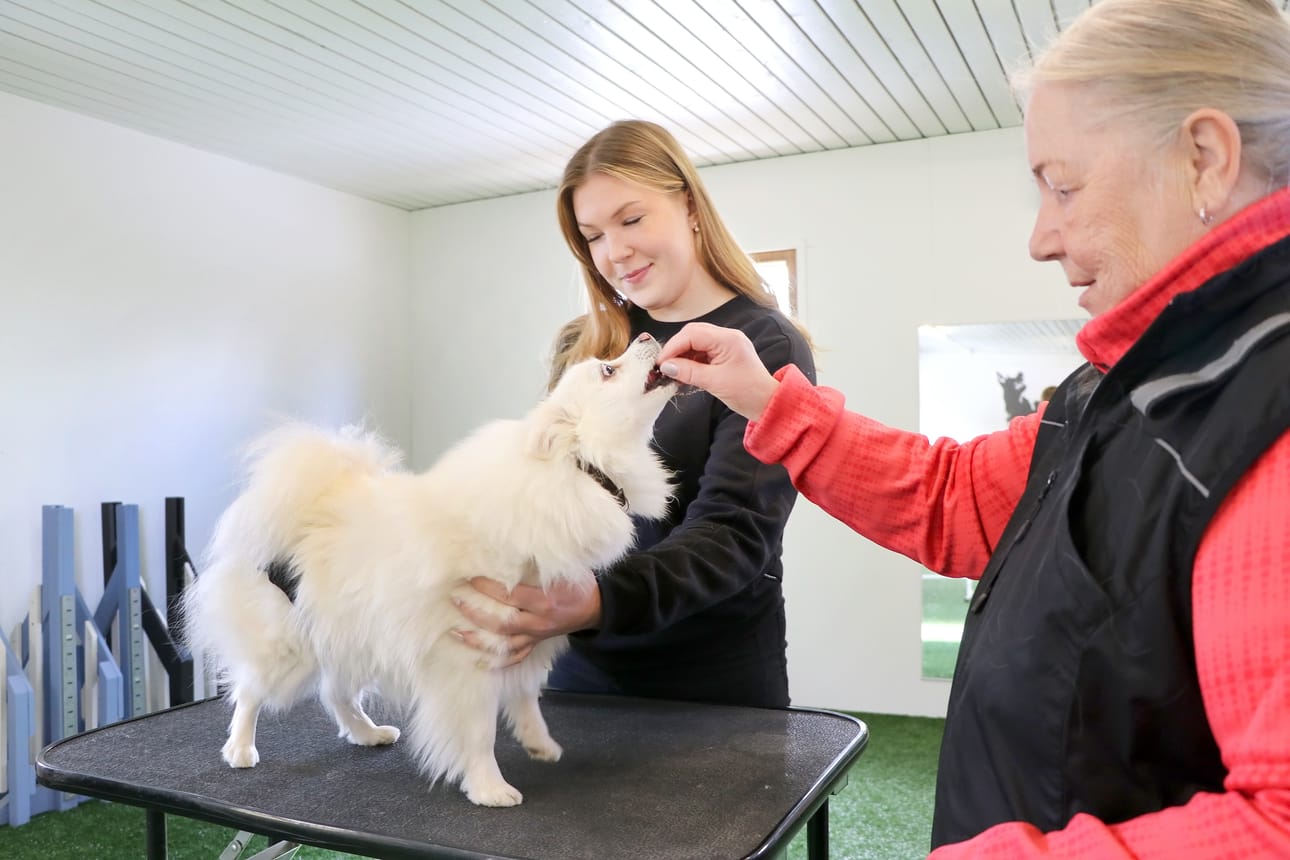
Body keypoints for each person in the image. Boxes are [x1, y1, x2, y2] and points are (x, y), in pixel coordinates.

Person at [654, 0, 1290, 855]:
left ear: (1205, 160)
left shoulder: (1267, 418)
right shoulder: (1121, 383)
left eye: (1064, 187)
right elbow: (961, 500)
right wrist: (769, 402)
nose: (1041, 236)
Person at [454, 119, 815, 708]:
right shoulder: (584, 342)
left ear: (690, 206)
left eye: (631, 219)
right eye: (592, 236)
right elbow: (545, 495)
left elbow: (734, 531)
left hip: (709, 681)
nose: (614, 253)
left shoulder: (766, 345)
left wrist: (597, 599)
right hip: (579, 667)